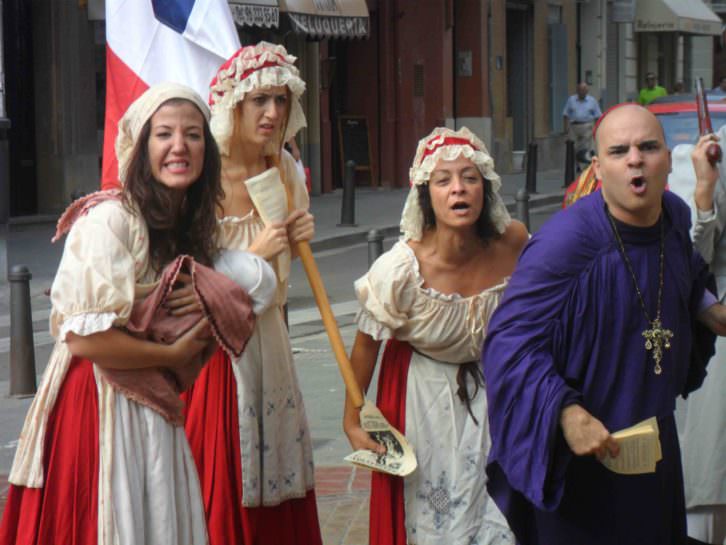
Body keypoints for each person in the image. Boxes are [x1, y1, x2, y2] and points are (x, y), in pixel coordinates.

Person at [0, 82, 240, 544]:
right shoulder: (110, 220)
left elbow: (247, 285)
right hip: (97, 403)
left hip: (153, 406)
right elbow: (85, 340)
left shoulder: (187, 228)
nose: (179, 146)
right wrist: (172, 358)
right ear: (140, 146)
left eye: (192, 135)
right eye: (164, 134)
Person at [481, 103, 726, 544]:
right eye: (619, 151)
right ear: (598, 167)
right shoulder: (565, 243)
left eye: (648, 147)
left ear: (668, 160)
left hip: (653, 446)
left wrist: (709, 308)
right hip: (586, 459)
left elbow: (685, 269)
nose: (635, 159)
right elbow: (507, 342)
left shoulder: (673, 215)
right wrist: (566, 412)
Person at [343, 126, 528, 544]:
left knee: (497, 516)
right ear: (426, 195)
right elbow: (366, 344)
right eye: (443, 181)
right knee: (433, 518)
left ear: (487, 189)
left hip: (495, 395)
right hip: (422, 399)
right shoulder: (401, 269)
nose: (458, 189)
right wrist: (352, 418)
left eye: (470, 178)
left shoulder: (514, 242)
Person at [180, 42, 322, 545]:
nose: (273, 112)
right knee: (222, 469)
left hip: (271, 342)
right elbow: (184, 277)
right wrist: (254, 254)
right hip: (217, 350)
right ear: (233, 105)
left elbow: (281, 285)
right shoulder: (201, 176)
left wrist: (294, 239)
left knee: (276, 467)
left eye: (281, 100)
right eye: (259, 100)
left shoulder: (283, 170)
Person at [675, 128, 726, 545]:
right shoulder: (704, 155)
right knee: (713, 478)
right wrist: (706, 192)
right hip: (722, 323)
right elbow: (692, 263)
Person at [562, 82, 602, 167]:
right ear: (577, 90)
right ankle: (577, 166)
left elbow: (598, 116)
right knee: (573, 147)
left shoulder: (592, 101)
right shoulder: (571, 100)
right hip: (574, 127)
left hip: (587, 126)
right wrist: (565, 128)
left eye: (584, 90)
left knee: (584, 147)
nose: (582, 92)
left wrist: (597, 128)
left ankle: (584, 166)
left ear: (587, 91)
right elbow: (565, 114)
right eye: (580, 90)